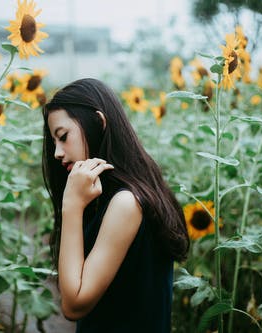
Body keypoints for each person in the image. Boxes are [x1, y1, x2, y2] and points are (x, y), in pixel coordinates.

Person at [41, 78, 189, 333]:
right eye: (55, 142)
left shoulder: (125, 203)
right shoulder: (113, 197)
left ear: (99, 123)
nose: (57, 152)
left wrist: (72, 207)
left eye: (63, 137)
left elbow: (73, 305)